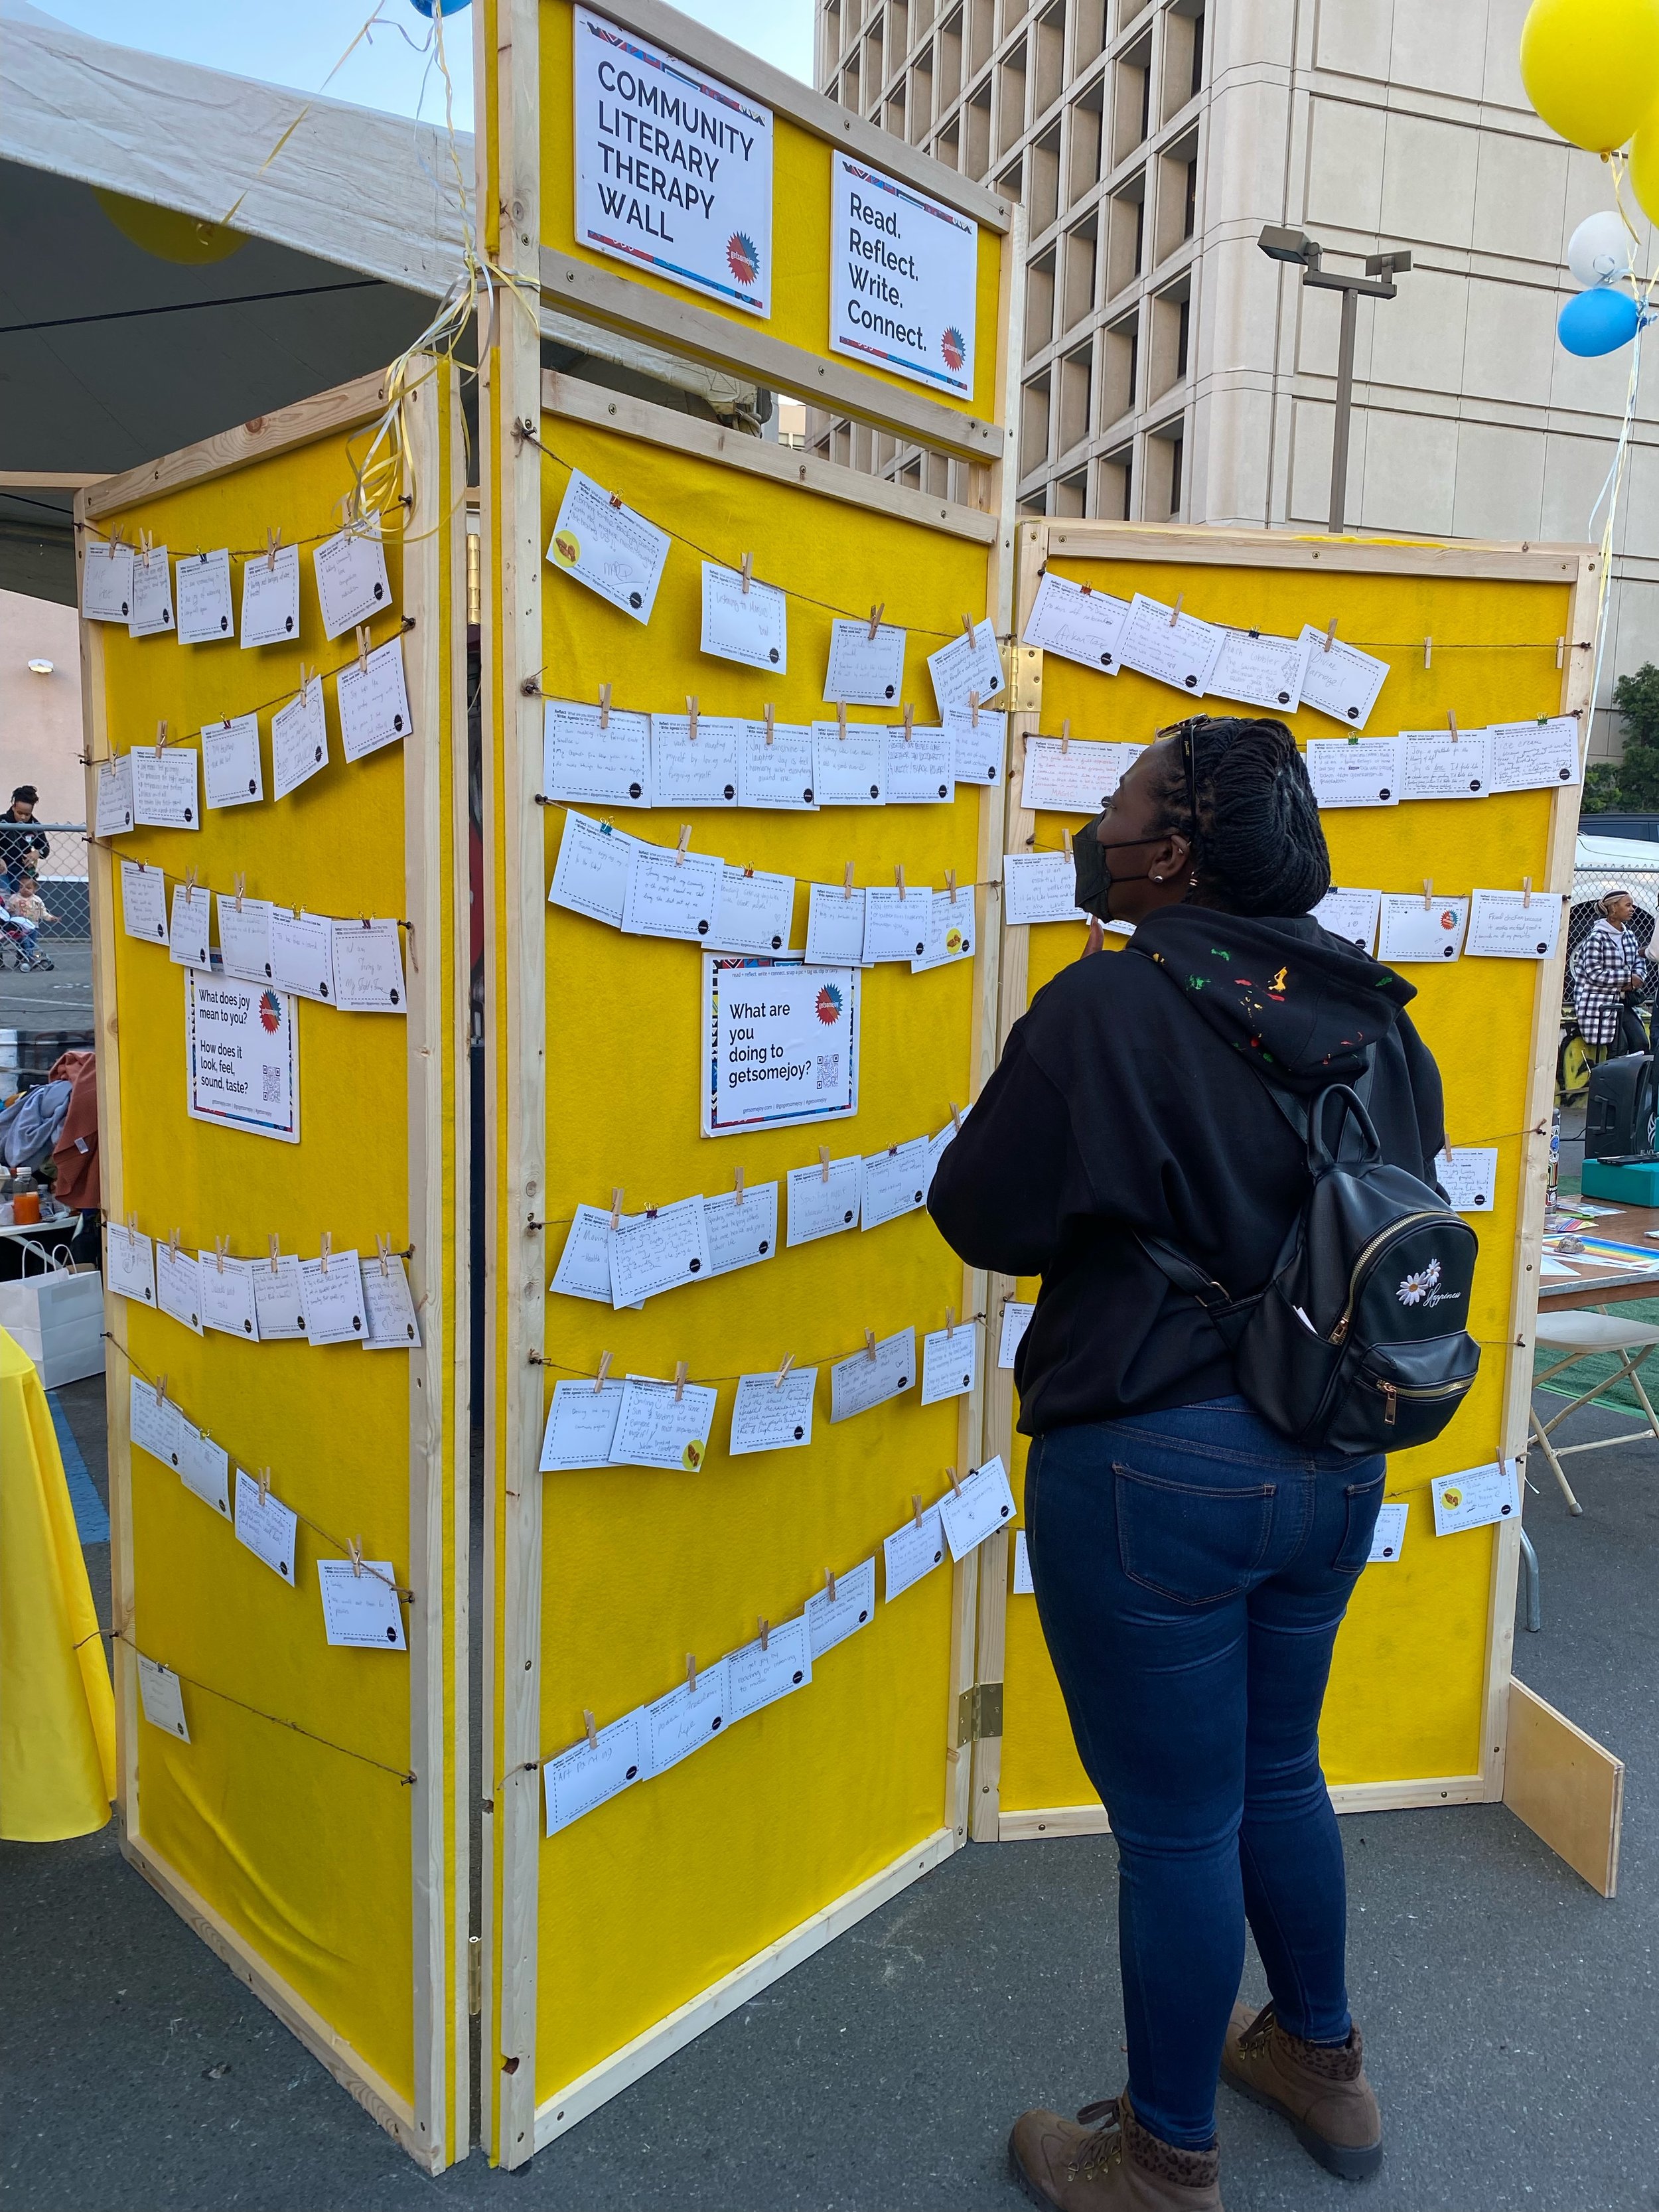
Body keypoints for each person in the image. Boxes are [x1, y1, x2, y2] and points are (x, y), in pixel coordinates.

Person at [928, 716, 1448, 2211]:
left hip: (1151, 1467)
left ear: (1169, 850)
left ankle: (1158, 2162)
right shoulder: (1379, 1016)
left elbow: (982, 1216)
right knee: (1277, 1766)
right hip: (1336, 1455)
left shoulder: (1105, 1007)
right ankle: (1321, 2061)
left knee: (1172, 1826)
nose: (1097, 821)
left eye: (1119, 802)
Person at [1572, 889, 1648, 1059]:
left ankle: (1634, 1083)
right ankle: (1612, 1084)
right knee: (1619, 1047)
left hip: (1623, 1002)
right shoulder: (1596, 938)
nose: (1632, 909)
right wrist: (1627, 978)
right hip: (1601, 1003)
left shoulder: (1629, 936)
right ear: (1614, 908)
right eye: (1628, 905)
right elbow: (1594, 973)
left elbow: (1639, 964)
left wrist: (1638, 979)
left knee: (1641, 1043)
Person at [0, 786, 48, 894]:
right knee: (5, 902)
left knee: (21, 903)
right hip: (3, 870)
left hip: (22, 872)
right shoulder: (2, 822)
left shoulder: (34, 826)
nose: (23, 817)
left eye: (27, 814)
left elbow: (45, 848)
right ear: (13, 807)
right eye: (19, 813)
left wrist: (37, 853)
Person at [5, 874, 55, 970]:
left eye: (28, 888)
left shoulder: (37, 900)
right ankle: (30, 958)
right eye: (21, 887)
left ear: (35, 889)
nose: (24, 889)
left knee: (33, 944)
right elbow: (8, 906)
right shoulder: (15, 898)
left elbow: (42, 912)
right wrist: (9, 910)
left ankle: (36, 958)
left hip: (33, 926)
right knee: (25, 943)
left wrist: (50, 918)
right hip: (20, 927)